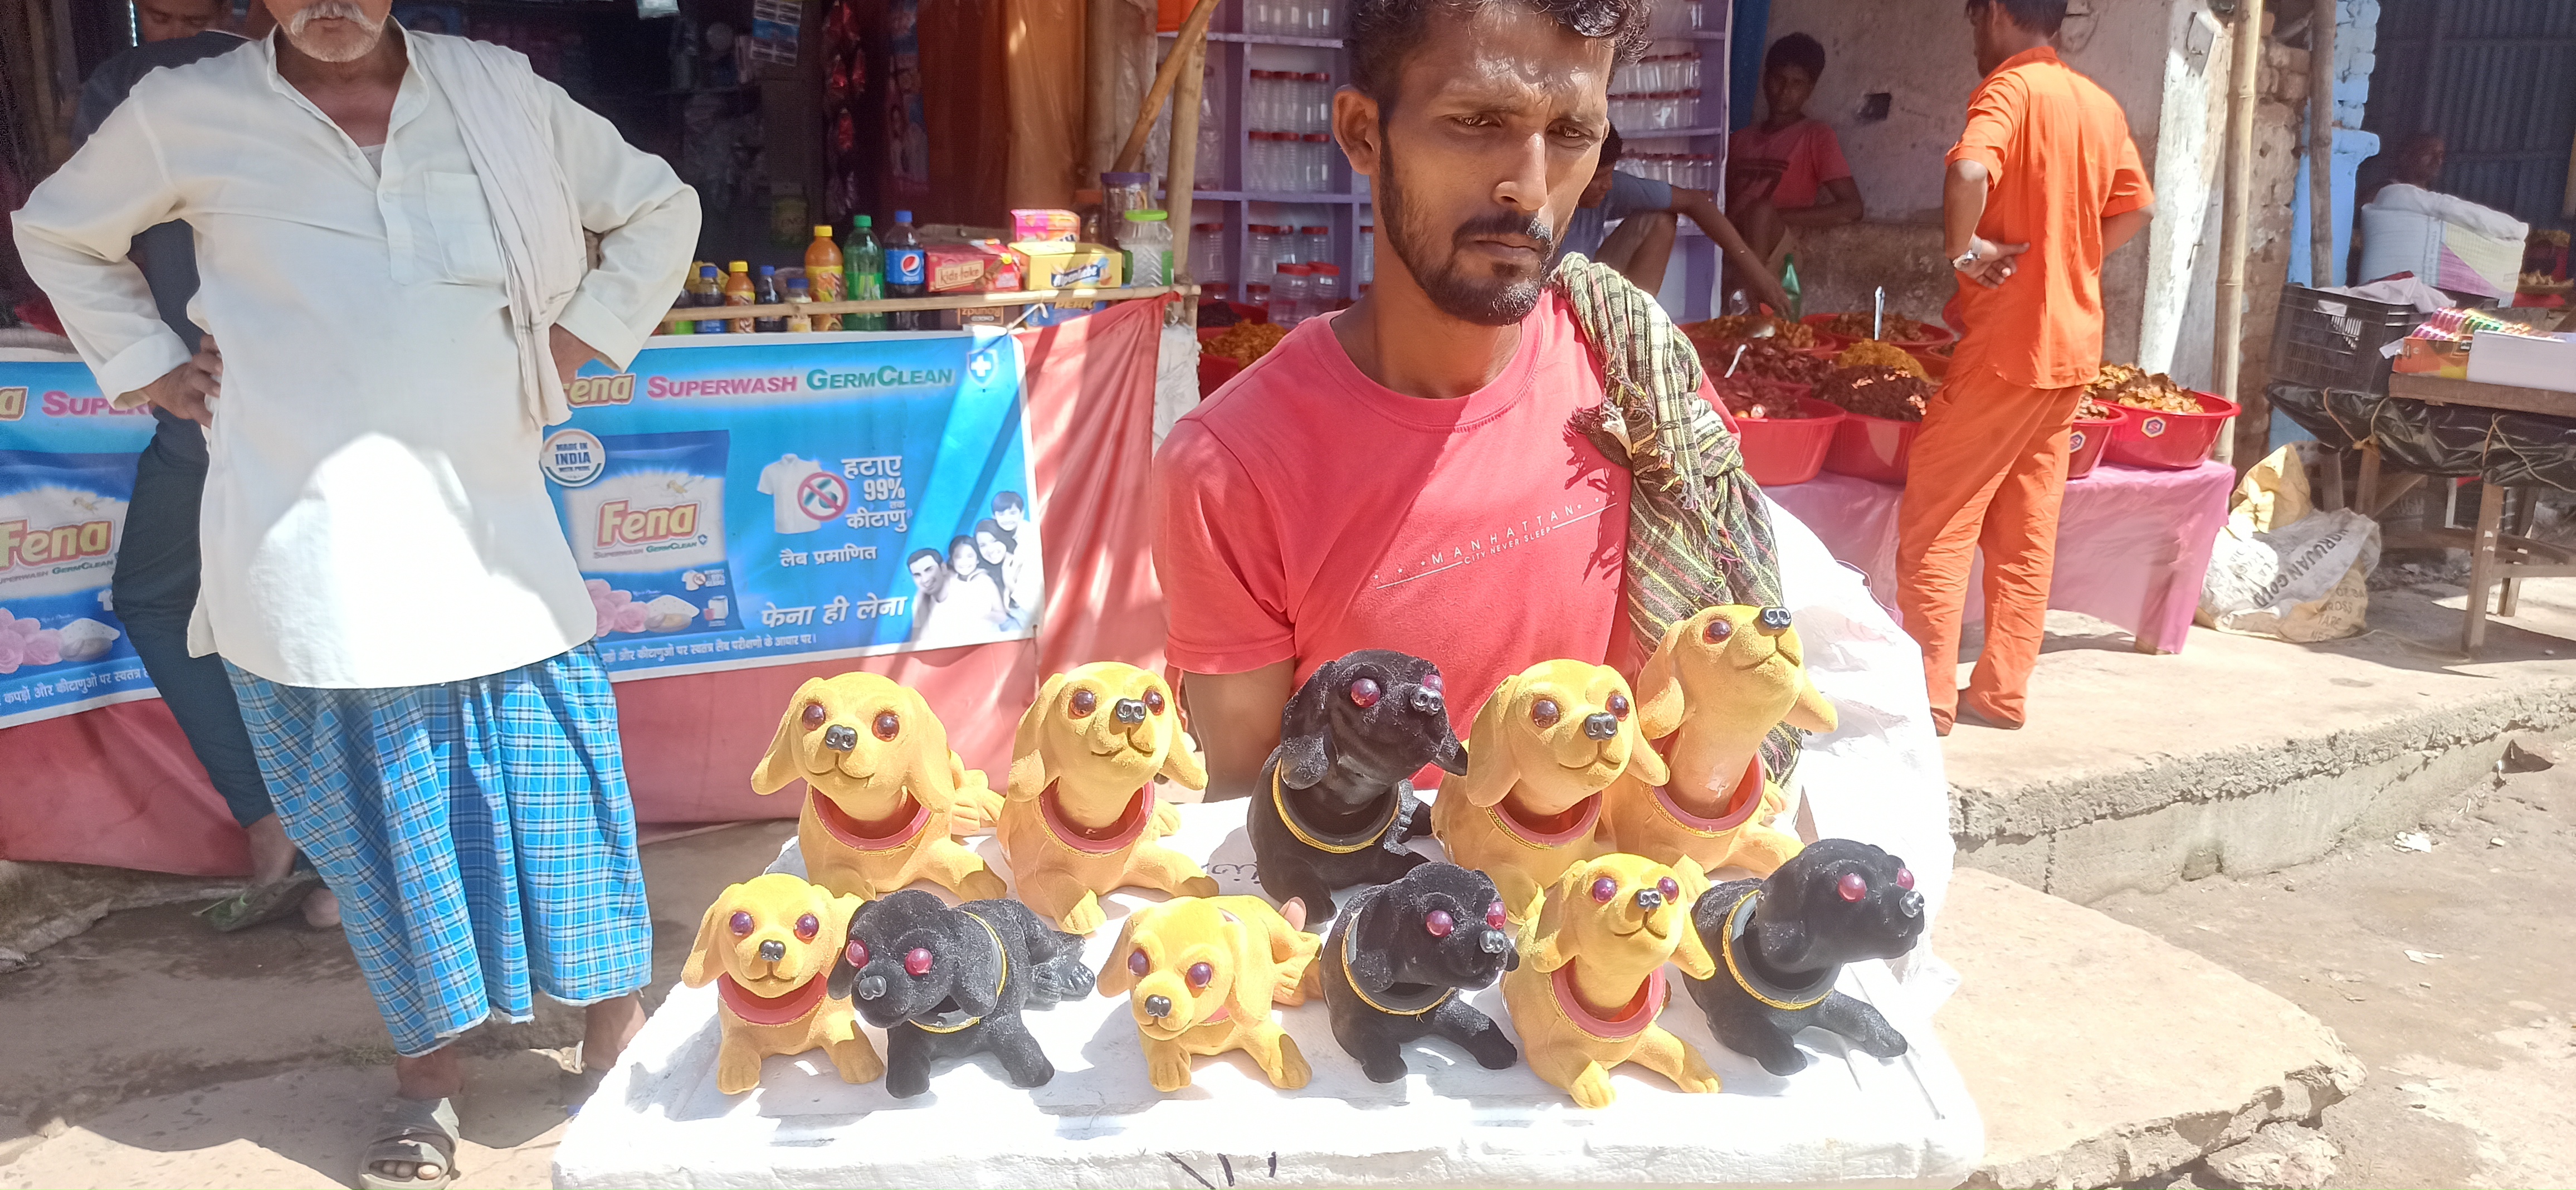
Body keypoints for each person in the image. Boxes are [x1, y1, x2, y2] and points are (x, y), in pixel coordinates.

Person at [14, 0, 700, 1183]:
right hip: (309, 531)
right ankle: (427, 1083)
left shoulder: (496, 93)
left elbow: (658, 207)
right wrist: (151, 368)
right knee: (388, 828)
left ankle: (611, 1044)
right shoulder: (187, 111)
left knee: (564, 794)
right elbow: (59, 230)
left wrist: (580, 342)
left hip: (490, 517)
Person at [1157, 0, 1758, 799]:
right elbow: (1260, 833)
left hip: (1617, 908)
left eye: (1572, 135)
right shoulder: (1234, 470)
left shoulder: (1638, 377)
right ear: (1363, 133)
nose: (1530, 189)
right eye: (1478, 121)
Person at [74, 0, 324, 933]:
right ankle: (344, 857)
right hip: (327, 393)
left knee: (161, 594)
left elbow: (81, 234)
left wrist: (151, 367)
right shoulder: (312, 73)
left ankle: (276, 823)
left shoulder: (128, 84)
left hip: (214, 398)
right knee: (325, 613)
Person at [1894, 0, 2153, 735]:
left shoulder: (2012, 87)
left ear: (2001, 13)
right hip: (2071, 353)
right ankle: (2002, 692)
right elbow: (2137, 210)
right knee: (2025, 533)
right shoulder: (2096, 103)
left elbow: (1971, 167)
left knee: (1938, 523)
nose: (1975, 33)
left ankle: (1929, 698)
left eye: (1976, 17)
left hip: (2010, 348)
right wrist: (2071, 259)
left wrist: (1965, 250)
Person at [1560, 125, 1793, 311]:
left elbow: (1695, 202)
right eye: (1600, 177)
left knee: (1660, 219)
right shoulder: (1537, 206)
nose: (1609, 185)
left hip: (1586, 292)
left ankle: (1638, 325)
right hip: (1553, 304)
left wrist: (1756, 274)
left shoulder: (1612, 189)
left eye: (1611, 174)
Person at [1726, 33, 1863, 267]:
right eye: (1778, 79)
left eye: (1797, 83)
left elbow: (1852, 208)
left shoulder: (1816, 135)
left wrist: (1774, 217)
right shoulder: (1739, 140)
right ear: (1765, 79)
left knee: (1760, 212)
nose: (1785, 90)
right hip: (1734, 242)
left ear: (1809, 90)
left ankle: (1755, 297)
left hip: (1780, 246)